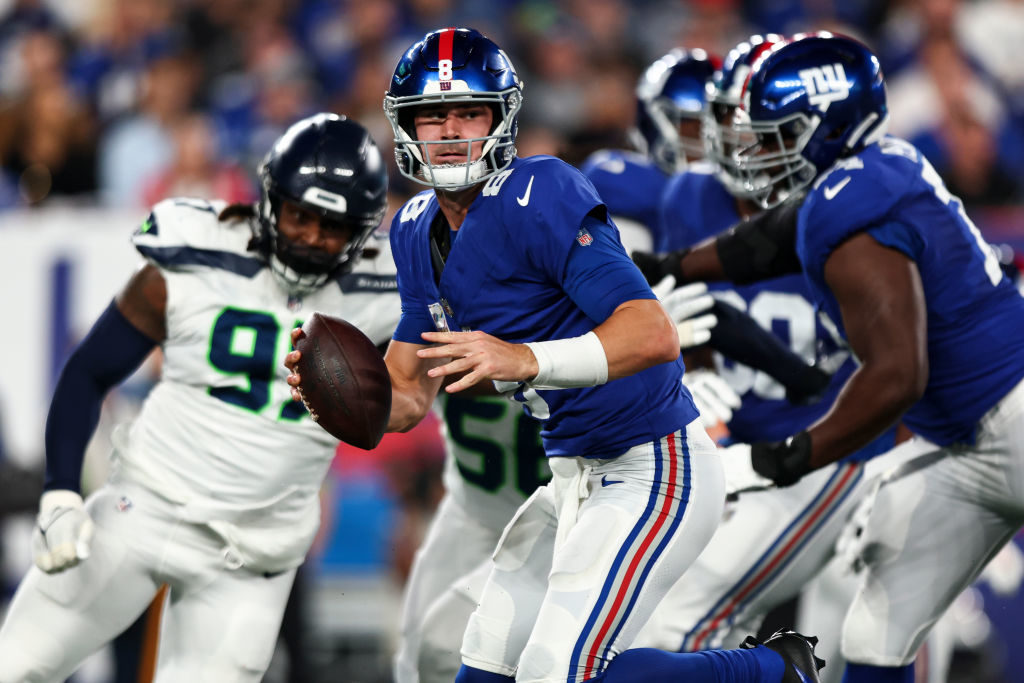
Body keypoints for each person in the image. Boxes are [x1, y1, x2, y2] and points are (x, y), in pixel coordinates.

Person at [289, 27, 823, 683]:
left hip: (655, 464)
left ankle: (773, 670)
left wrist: (524, 358)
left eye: (469, 112)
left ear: (501, 118)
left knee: (559, 670)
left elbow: (651, 332)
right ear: (406, 127)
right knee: (482, 663)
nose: (451, 130)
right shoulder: (411, 228)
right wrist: (334, 394)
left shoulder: (539, 191)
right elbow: (406, 393)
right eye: (434, 114)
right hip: (571, 476)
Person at [633, 34, 1024, 683]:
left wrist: (788, 456)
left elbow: (899, 375)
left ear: (828, 127)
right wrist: (673, 265)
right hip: (968, 444)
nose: (755, 150)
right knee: (877, 627)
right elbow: (773, 238)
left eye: (775, 134)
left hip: (1011, 415)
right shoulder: (879, 169)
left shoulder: (856, 210)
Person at [0, 112, 399, 681]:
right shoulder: (196, 251)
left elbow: (417, 393)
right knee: (14, 665)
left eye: (332, 225)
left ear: (362, 232)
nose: (311, 235)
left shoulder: (388, 288)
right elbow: (90, 369)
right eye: (300, 215)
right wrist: (60, 492)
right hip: (145, 507)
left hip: (253, 555)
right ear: (269, 200)